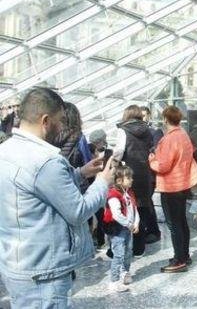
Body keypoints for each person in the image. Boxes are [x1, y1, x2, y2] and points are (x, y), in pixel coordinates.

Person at [0, 87, 112, 308]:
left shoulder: (6, 150)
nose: (62, 127)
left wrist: (80, 173)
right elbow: (78, 211)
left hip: (17, 262)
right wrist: (102, 182)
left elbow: (38, 187)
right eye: (60, 120)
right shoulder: (46, 161)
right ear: (45, 120)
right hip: (44, 271)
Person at [148, 105, 197, 273]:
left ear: (165, 119)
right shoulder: (184, 135)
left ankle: (179, 261)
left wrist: (152, 160)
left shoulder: (169, 139)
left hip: (171, 186)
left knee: (174, 224)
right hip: (183, 184)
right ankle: (184, 255)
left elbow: (163, 166)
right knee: (182, 221)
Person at [113, 105, 159, 255]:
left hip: (129, 174)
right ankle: (140, 246)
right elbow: (153, 150)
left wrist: (114, 164)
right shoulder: (148, 130)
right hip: (146, 174)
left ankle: (124, 245)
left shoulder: (123, 130)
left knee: (128, 207)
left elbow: (119, 151)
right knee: (143, 208)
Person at [102, 164, 139, 293]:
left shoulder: (129, 192)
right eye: (128, 178)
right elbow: (116, 214)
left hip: (128, 228)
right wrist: (129, 224)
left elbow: (134, 209)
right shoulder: (113, 195)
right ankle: (114, 281)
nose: (131, 179)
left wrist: (136, 223)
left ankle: (125, 272)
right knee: (118, 254)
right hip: (117, 229)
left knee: (128, 251)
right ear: (119, 181)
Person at [56, 102, 92, 192]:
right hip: (78, 183)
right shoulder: (79, 137)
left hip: (59, 180)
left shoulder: (52, 137)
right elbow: (88, 161)